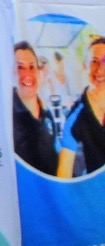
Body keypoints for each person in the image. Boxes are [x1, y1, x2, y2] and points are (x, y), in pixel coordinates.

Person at [57, 37, 105, 179]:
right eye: (94, 62)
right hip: (92, 189)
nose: (100, 70)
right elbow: (64, 173)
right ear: (85, 65)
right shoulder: (74, 116)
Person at [12, 41, 59, 175]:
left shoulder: (47, 114)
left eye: (32, 67)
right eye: (20, 67)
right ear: (12, 72)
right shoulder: (6, 118)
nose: (27, 74)